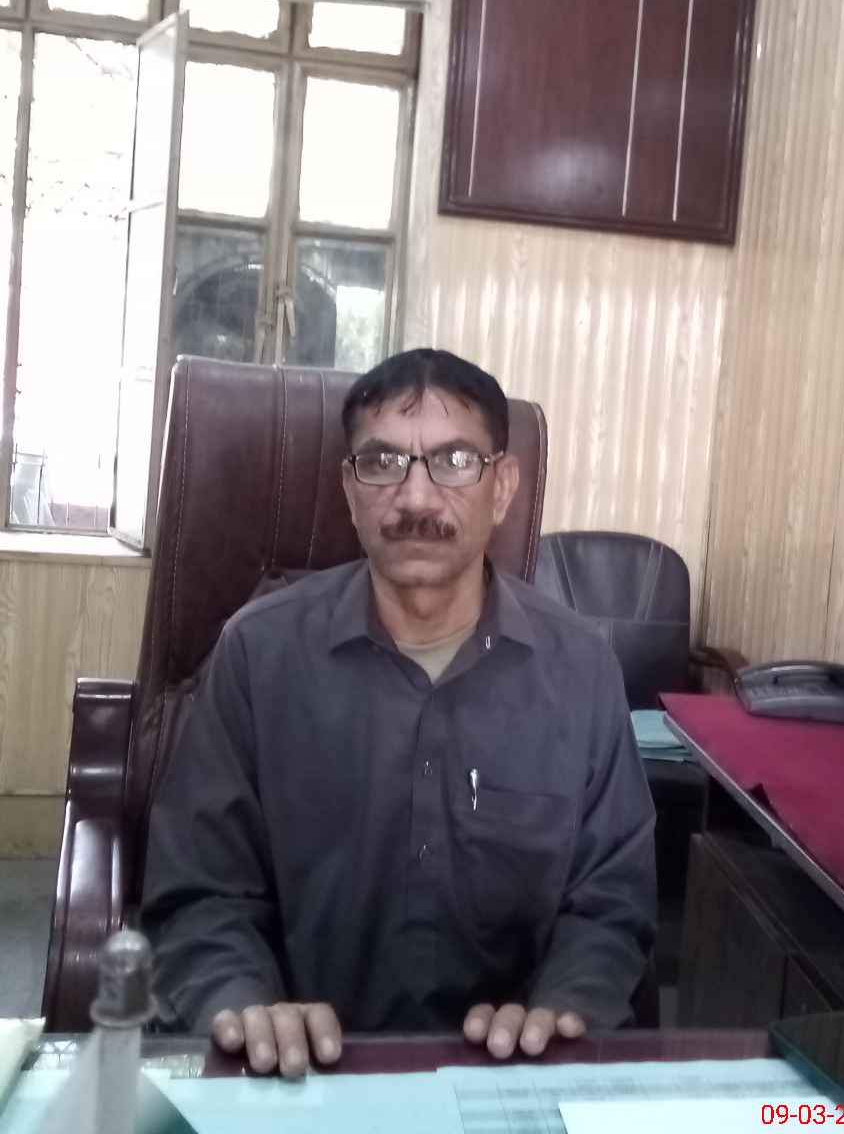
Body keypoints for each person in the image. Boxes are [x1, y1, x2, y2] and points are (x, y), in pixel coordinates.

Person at [141, 348, 656, 1077]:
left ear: (503, 488)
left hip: (512, 1075)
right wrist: (244, 1003)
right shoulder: (258, 654)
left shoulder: (580, 670)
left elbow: (610, 903)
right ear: (350, 490)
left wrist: (563, 1009)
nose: (416, 499)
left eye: (455, 462)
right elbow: (201, 890)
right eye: (382, 462)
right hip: (296, 1077)